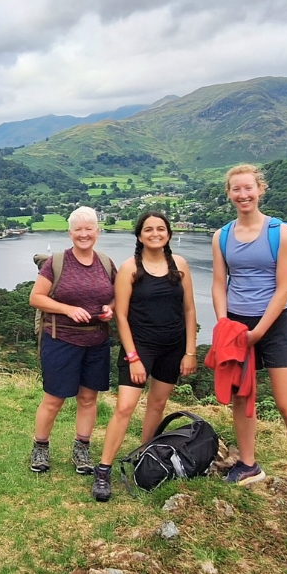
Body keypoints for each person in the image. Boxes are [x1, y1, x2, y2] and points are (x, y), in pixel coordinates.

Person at [211, 164, 287, 510]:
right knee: (242, 397)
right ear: (229, 193)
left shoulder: (282, 233)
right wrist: (224, 324)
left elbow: (282, 289)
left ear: (260, 189)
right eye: (236, 189)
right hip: (235, 323)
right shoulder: (221, 236)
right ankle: (248, 465)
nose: (243, 195)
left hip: (276, 324)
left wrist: (259, 331)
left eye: (249, 188)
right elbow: (220, 284)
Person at [91, 211, 197, 501]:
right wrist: (133, 356)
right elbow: (121, 317)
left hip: (173, 346)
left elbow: (189, 310)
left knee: (158, 403)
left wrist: (190, 351)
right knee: (125, 407)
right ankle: (103, 469)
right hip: (141, 346)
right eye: (148, 229)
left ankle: (145, 457)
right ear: (139, 236)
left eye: (161, 229)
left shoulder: (180, 266)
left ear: (169, 234)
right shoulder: (130, 269)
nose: (155, 233)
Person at [28, 206, 115, 475]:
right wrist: (67, 308)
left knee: (88, 399)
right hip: (61, 339)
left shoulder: (106, 262)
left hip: (96, 341)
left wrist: (110, 308)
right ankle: (40, 446)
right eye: (78, 229)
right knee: (53, 399)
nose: (84, 234)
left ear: (97, 232)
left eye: (89, 228)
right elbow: (36, 298)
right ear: (70, 233)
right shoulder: (56, 263)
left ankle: (82, 448)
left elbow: (115, 295)